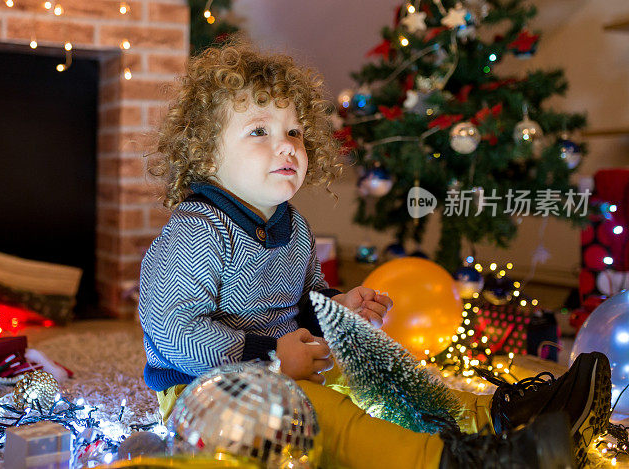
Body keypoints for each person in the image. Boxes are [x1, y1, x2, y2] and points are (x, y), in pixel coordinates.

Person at [138, 38, 611, 468]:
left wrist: (335, 310)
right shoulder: (196, 232)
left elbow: (302, 300)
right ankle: (454, 462)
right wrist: (273, 360)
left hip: (288, 364)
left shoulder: (293, 225)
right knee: (327, 415)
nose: (287, 144)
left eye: (295, 132)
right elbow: (174, 332)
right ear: (206, 155)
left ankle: (503, 416)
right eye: (259, 130)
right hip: (206, 391)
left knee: (382, 371)